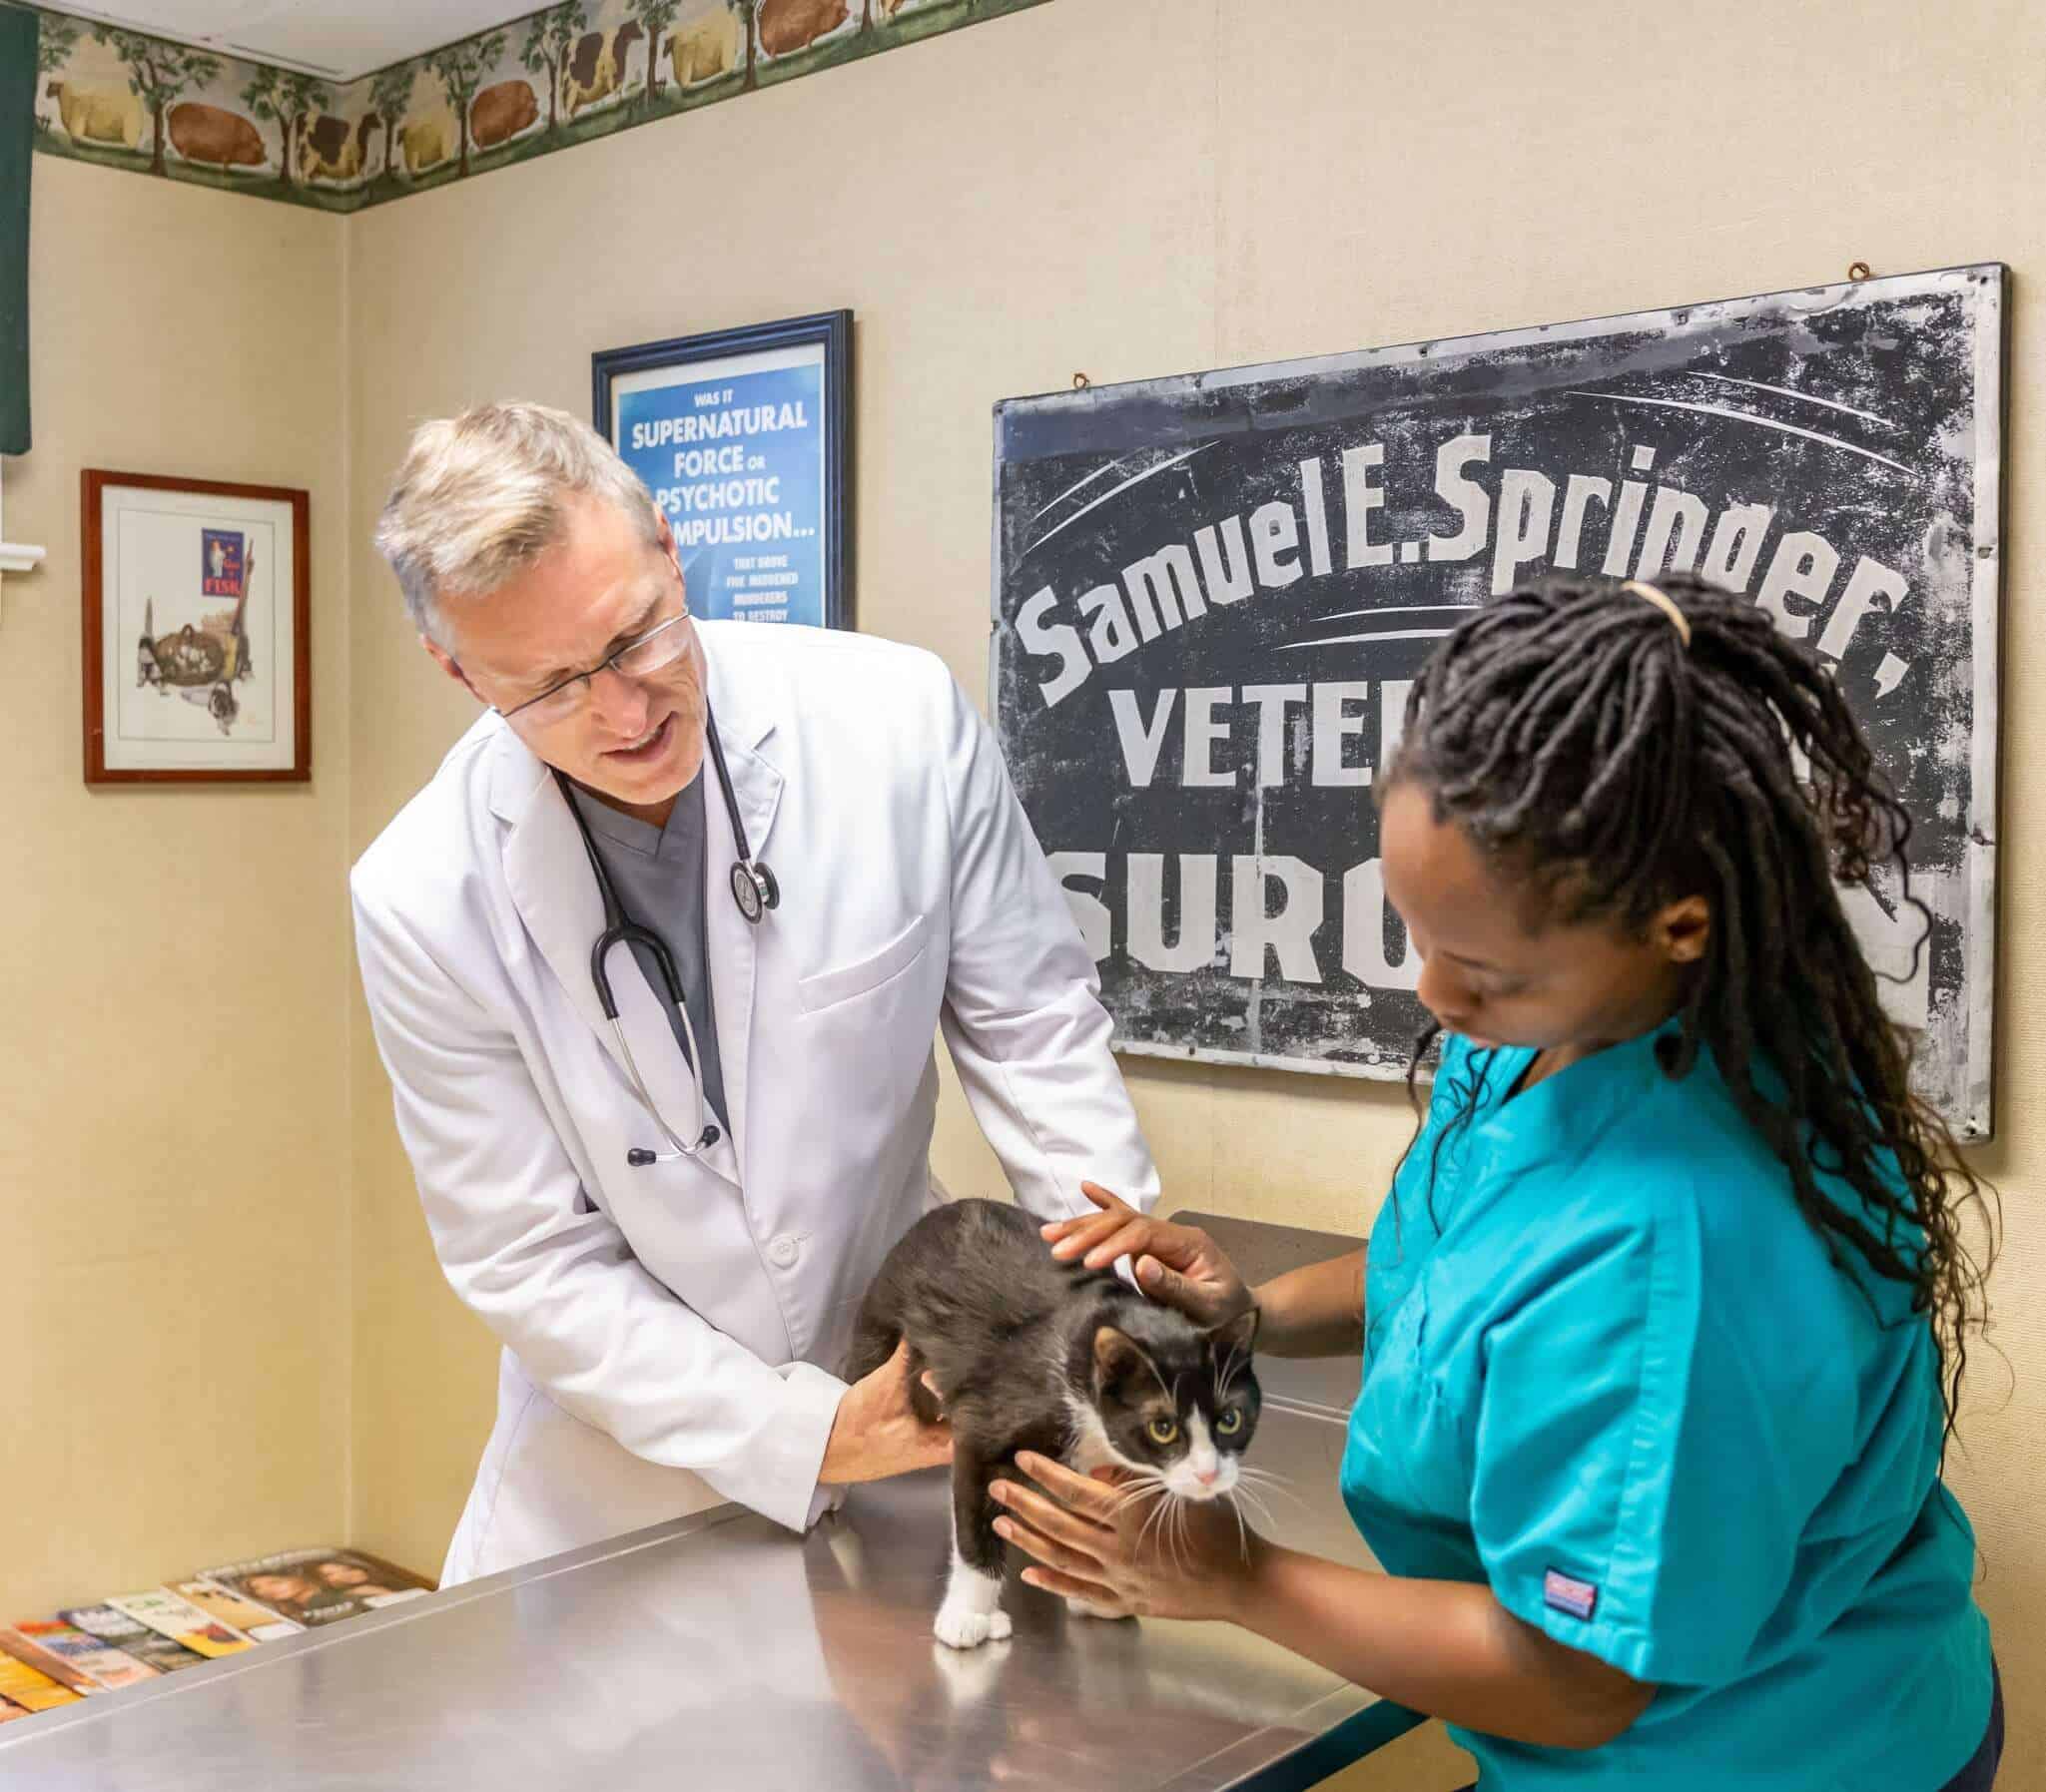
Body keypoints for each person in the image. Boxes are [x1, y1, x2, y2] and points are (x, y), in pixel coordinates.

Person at [994, 573, 2001, 1789]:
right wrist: (1250, 1312)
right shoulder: (1560, 1029)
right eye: (1418, 934)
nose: (1437, 999)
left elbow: (1579, 1677)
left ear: (1679, 923)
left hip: (1772, 1755)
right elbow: (1474, 1271)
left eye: (1480, 967)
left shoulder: (1676, 1242)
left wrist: (1235, 1576)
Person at [351, 401, 1156, 1583]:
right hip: (621, 1485)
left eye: (635, 640)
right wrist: (810, 1434)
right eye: (550, 688)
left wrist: (1118, 1336)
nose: (625, 713)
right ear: (458, 671)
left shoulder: (896, 726)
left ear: (670, 551)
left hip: (908, 1384)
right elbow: (526, 1257)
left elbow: (1036, 1035)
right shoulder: (421, 892)